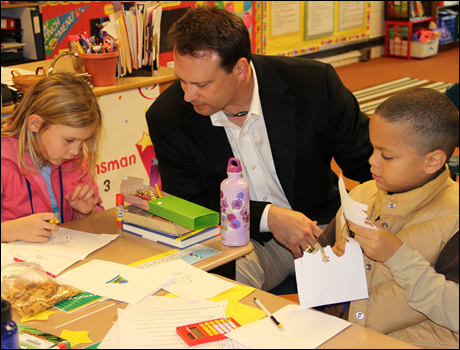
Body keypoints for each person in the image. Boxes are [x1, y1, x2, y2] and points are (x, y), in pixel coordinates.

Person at [146, 6, 373, 291]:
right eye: (181, 79)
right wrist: (269, 217)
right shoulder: (168, 116)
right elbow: (190, 203)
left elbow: (367, 162)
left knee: (382, 288)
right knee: (205, 290)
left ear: (240, 69)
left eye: (201, 84)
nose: (188, 95)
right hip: (244, 239)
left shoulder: (313, 84)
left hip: (324, 227)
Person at [318, 88, 459, 348]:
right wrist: (332, 266)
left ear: (433, 161)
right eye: (373, 149)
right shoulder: (361, 195)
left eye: (387, 155)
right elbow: (318, 284)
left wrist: (398, 256)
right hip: (340, 337)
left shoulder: (454, 219)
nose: (372, 161)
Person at [1, 72, 104, 243]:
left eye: (82, 142)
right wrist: (13, 230)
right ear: (36, 124)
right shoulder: (5, 164)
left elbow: (97, 219)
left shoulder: (75, 162)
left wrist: (87, 212)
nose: (76, 152)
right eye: (69, 140)